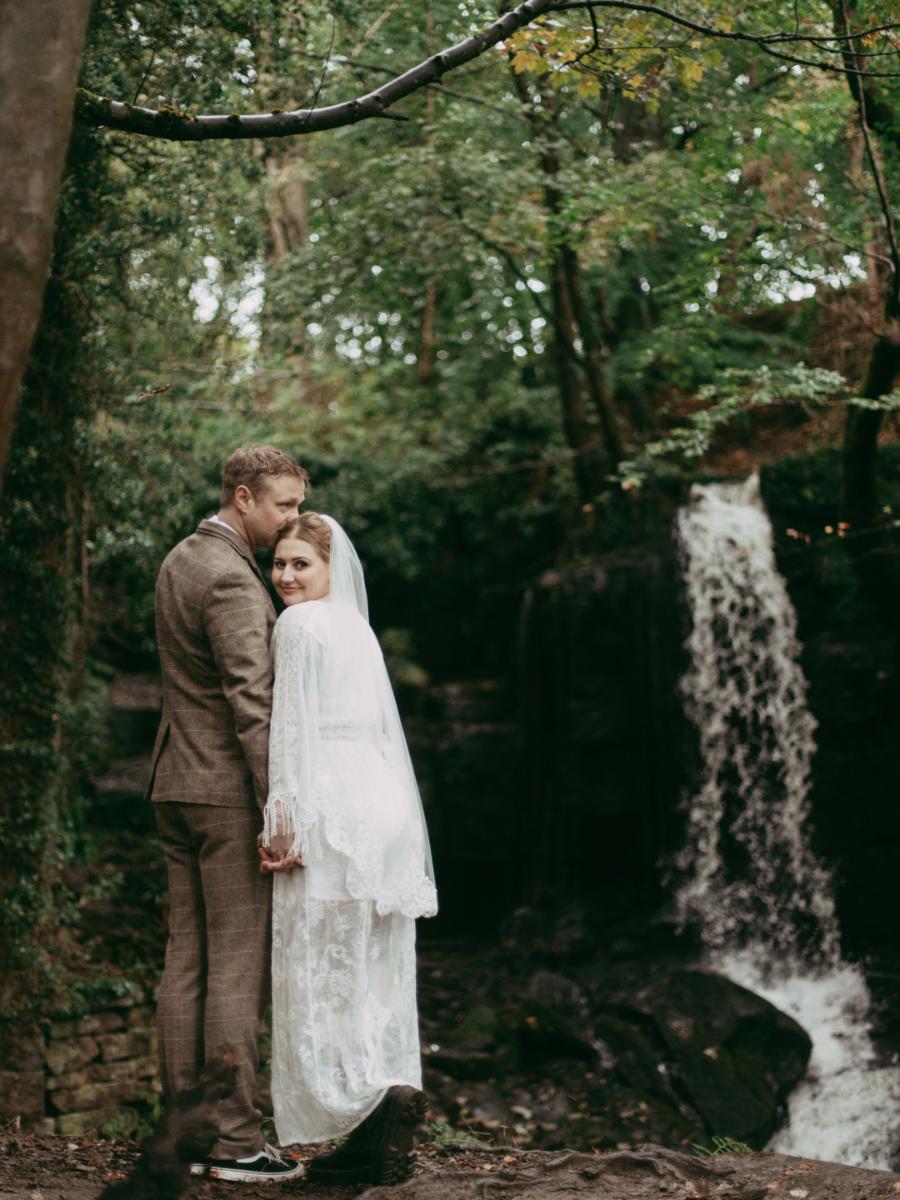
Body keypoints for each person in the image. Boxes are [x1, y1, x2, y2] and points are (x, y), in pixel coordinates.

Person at [260, 512, 438, 1187]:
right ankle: (386, 1103)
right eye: (279, 564)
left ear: (333, 568)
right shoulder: (358, 629)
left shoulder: (300, 627)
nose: (285, 576)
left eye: (300, 563)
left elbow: (291, 733)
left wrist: (281, 826)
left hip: (333, 809)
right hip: (385, 809)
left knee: (324, 973)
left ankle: (361, 1107)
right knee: (374, 970)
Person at [148, 444, 308, 1183]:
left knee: (186, 964)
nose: (293, 520)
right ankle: (236, 1141)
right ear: (243, 497)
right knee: (236, 972)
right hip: (223, 794)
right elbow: (253, 703)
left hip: (173, 782)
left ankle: (184, 1133)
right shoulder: (235, 583)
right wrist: (279, 808)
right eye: (284, 505)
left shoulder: (181, 557)